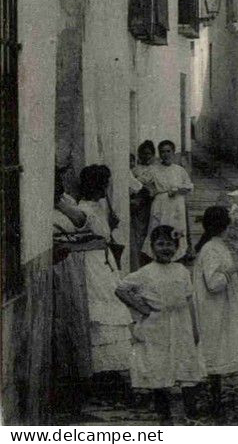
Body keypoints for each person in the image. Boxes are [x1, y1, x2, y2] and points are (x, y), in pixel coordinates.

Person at [116, 225, 206, 425]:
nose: (165, 249)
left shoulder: (181, 271)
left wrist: (194, 327)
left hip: (181, 323)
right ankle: (164, 416)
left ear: (177, 247)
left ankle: (191, 412)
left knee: (187, 365)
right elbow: (121, 289)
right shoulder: (146, 272)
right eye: (160, 244)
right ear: (152, 247)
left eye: (170, 245)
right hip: (157, 327)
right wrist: (143, 309)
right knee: (159, 368)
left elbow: (189, 299)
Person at [193, 206, 238, 419]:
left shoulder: (215, 246)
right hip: (217, 310)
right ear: (225, 227)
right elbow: (214, 283)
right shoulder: (211, 250)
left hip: (226, 307)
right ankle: (218, 401)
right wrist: (236, 267)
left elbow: (223, 277)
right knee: (219, 350)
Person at [76, 165, 133, 376]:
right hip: (93, 263)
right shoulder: (83, 210)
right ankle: (100, 369)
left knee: (112, 304)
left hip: (105, 260)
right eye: (103, 184)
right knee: (100, 311)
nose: (105, 188)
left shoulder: (99, 206)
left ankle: (113, 367)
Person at [52, 168, 93, 407]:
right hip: (55, 269)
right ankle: (62, 386)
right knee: (60, 325)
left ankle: (77, 382)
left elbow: (81, 221)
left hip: (71, 267)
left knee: (75, 321)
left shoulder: (65, 201)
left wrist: (59, 203)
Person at [143, 140, 194, 263]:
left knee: (176, 229)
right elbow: (141, 181)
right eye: (162, 152)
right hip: (161, 203)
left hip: (176, 204)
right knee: (159, 228)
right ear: (159, 154)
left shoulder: (179, 170)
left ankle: (177, 256)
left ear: (173, 152)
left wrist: (177, 190)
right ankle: (158, 258)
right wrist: (152, 190)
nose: (165, 154)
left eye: (168, 151)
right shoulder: (154, 169)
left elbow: (189, 186)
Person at [131, 141, 157, 270]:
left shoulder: (156, 170)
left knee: (150, 231)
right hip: (139, 206)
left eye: (149, 154)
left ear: (153, 155)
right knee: (138, 233)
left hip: (152, 205)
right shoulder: (135, 170)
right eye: (143, 154)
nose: (146, 156)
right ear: (139, 155)